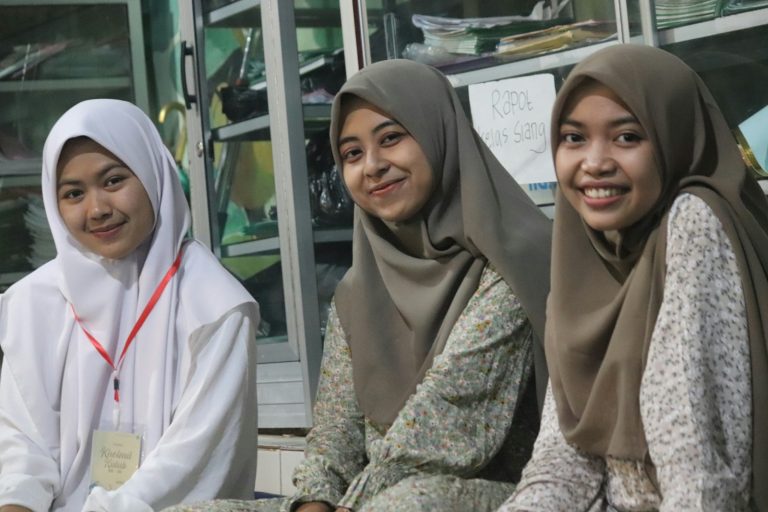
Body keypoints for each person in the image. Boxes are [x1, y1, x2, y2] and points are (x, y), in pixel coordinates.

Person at [165, 59, 552, 512]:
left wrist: (353, 505)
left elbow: (447, 427)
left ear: (439, 133)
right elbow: (334, 435)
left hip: (493, 494)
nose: (373, 166)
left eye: (391, 138)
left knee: (409, 502)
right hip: (371, 496)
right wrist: (314, 502)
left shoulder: (511, 262)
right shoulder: (357, 291)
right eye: (352, 154)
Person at [498, 44, 768, 511]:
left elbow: (700, 476)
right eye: (573, 138)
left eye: (626, 137)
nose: (595, 162)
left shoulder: (694, 221)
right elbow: (564, 455)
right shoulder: (583, 249)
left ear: (672, 138)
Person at [0, 99, 260, 511]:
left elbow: (195, 463)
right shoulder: (33, 306)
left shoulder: (214, 305)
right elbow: (20, 441)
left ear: (153, 172)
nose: (98, 209)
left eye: (114, 180)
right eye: (73, 193)